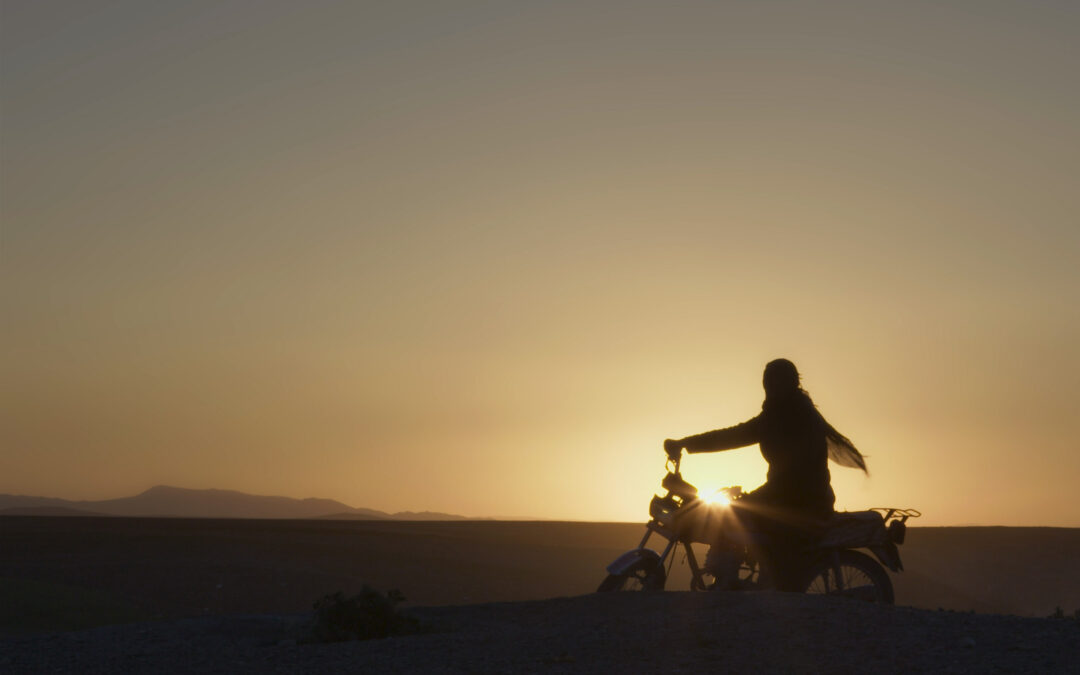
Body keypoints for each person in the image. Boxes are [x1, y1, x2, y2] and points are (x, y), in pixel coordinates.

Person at [663, 358, 867, 590]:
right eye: (767, 381)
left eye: (775, 381)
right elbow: (734, 435)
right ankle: (740, 576)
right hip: (786, 497)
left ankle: (756, 585)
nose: (770, 386)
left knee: (733, 515)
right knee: (735, 512)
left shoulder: (795, 417)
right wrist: (686, 443)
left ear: (789, 383)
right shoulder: (779, 414)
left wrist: (756, 497)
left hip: (803, 502)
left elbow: (794, 475)